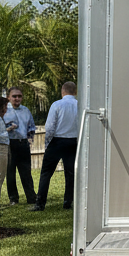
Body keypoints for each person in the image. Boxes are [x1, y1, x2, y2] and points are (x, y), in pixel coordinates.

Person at [31, 81, 78, 211]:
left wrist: (48, 143)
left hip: (57, 141)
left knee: (46, 172)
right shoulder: (79, 105)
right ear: (75, 92)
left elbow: (50, 126)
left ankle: (40, 204)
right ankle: (68, 202)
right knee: (70, 174)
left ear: (62, 91)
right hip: (73, 141)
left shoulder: (57, 104)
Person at [3, 86, 37, 205]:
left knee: (26, 172)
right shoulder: (4, 111)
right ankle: (13, 199)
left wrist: (29, 140)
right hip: (9, 144)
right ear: (8, 97)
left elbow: (31, 127)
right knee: (10, 172)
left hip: (23, 144)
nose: (17, 98)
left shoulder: (26, 110)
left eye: (19, 96)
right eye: (14, 96)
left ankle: (31, 198)